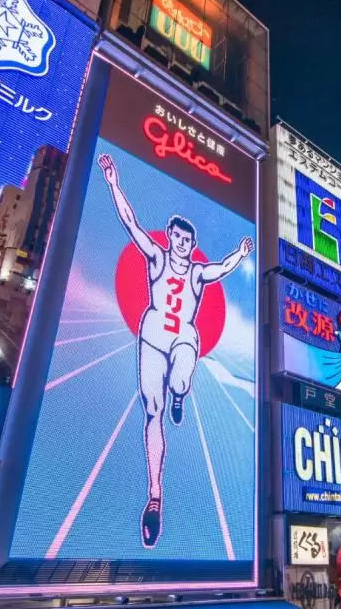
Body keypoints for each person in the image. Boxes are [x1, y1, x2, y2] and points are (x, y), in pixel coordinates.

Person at [98, 153, 254, 548]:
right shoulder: (156, 257)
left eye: (188, 240)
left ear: (193, 244)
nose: (182, 244)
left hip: (184, 337)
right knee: (152, 410)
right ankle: (154, 496)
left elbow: (221, 268)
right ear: (171, 238)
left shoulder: (198, 273)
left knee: (181, 377)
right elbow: (130, 223)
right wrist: (114, 183)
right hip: (152, 337)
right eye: (178, 238)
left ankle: (180, 393)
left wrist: (241, 253)